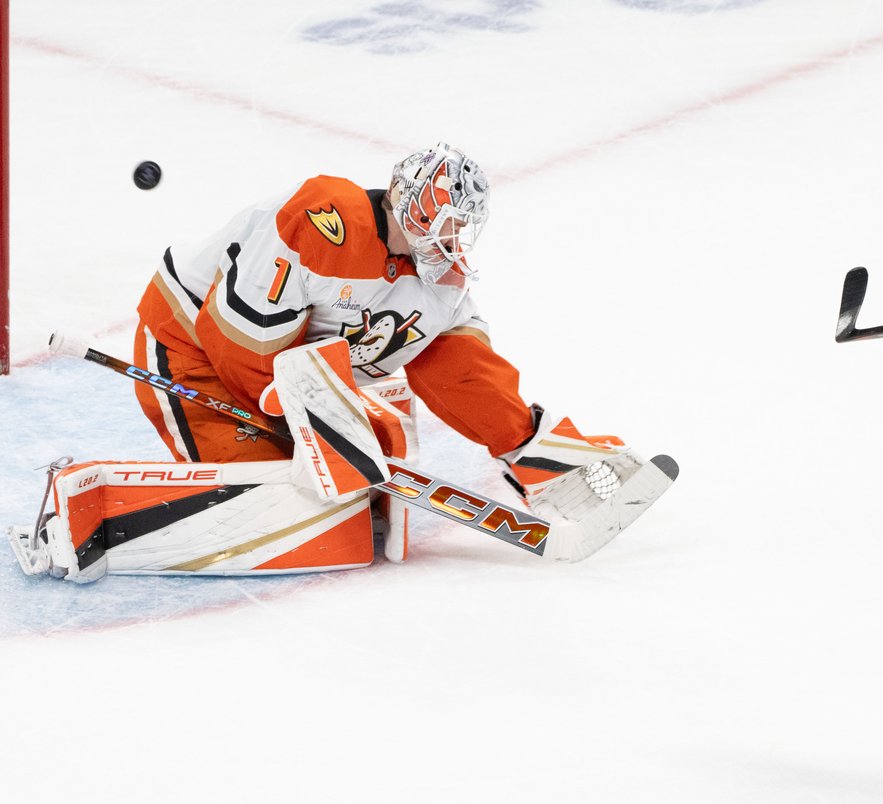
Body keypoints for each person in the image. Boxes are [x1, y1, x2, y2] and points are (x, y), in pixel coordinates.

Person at [6, 142, 667, 582]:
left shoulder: (439, 280)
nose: (455, 239)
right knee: (285, 490)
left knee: (344, 482)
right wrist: (320, 429)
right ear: (415, 205)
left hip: (295, 374)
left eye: (464, 226)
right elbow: (236, 344)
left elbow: (459, 367)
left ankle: (547, 466)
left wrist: (525, 439)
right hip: (193, 351)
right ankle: (86, 516)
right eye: (448, 222)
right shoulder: (326, 220)